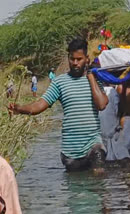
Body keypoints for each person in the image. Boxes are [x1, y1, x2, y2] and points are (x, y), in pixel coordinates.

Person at [8, 38, 109, 172]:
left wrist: (90, 76)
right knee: (76, 187)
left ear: (87, 59)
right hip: (71, 150)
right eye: (72, 59)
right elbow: (39, 105)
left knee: (98, 170)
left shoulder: (95, 81)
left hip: (93, 143)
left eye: (79, 59)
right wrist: (20, 108)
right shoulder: (59, 83)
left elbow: (101, 105)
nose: (75, 63)